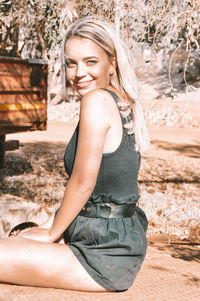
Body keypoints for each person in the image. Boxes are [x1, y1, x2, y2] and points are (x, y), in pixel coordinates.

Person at [0, 16, 149, 292]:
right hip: (115, 241)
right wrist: (47, 225)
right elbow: (103, 191)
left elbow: (83, 184)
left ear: (112, 63)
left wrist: (50, 234)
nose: (79, 72)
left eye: (91, 61)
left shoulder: (96, 101)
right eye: (71, 63)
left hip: (102, 253)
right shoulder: (120, 100)